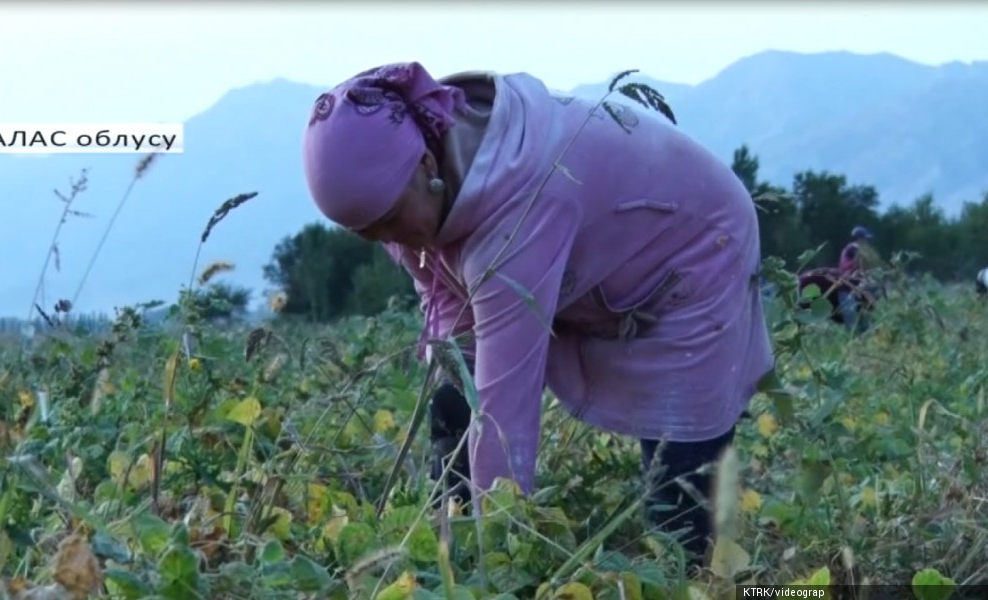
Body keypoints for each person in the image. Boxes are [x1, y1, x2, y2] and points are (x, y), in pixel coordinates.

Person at [301, 62, 775, 571]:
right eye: (369, 236)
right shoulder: (410, 196)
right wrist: (447, 512)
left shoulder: (518, 213)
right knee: (452, 398)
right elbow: (450, 328)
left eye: (392, 222)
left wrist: (496, 561)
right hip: (607, 256)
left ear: (424, 166)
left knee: (678, 491)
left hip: (699, 245)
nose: (392, 242)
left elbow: (506, 411)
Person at [835, 226, 881, 333]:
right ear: (859, 238)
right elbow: (865, 264)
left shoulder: (852, 250)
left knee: (862, 325)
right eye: (865, 239)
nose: (867, 242)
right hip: (848, 290)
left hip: (855, 290)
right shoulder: (853, 249)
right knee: (853, 326)